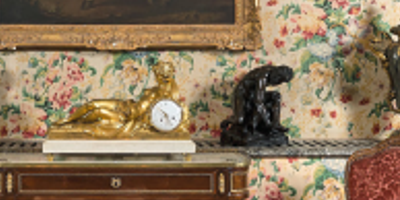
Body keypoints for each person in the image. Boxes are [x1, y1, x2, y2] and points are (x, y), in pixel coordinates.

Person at [48, 59, 188, 139]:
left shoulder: (167, 95)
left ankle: (73, 125)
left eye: (163, 74)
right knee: (92, 104)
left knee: (97, 112)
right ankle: (69, 121)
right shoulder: (156, 91)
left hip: (124, 117)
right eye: (159, 73)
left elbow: (162, 114)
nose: (160, 77)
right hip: (125, 106)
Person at [219, 64, 294, 147]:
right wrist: (267, 121)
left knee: (276, 96)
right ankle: (228, 121)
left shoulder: (271, 72)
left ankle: (276, 124)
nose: (278, 83)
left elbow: (259, 96)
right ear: (277, 75)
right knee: (240, 119)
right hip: (242, 94)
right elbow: (258, 102)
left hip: (253, 93)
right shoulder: (262, 77)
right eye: (279, 80)